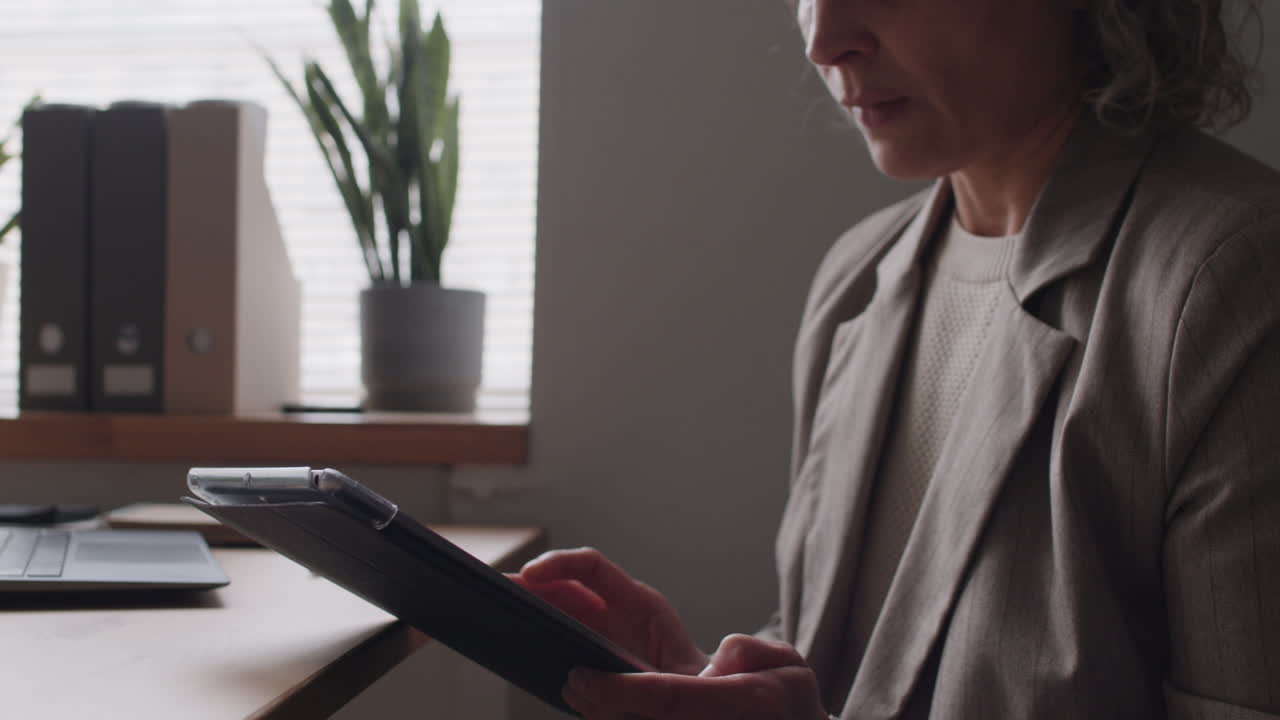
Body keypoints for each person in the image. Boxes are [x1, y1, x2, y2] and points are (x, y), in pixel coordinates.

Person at [512, 0, 1280, 717]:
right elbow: (864, 675)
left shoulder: (1235, 284)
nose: (822, 39)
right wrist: (705, 673)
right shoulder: (857, 280)